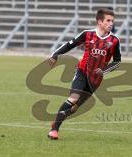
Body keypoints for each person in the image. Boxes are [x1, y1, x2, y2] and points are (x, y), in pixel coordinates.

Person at [47, 8, 121, 140]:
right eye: (108, 20)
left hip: (96, 79)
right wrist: (55, 55)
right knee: (73, 98)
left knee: (74, 108)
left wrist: (104, 71)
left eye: (112, 21)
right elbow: (70, 44)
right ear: (99, 22)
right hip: (81, 72)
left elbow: (117, 61)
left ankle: (56, 120)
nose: (111, 23)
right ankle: (54, 130)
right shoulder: (87, 34)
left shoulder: (114, 40)